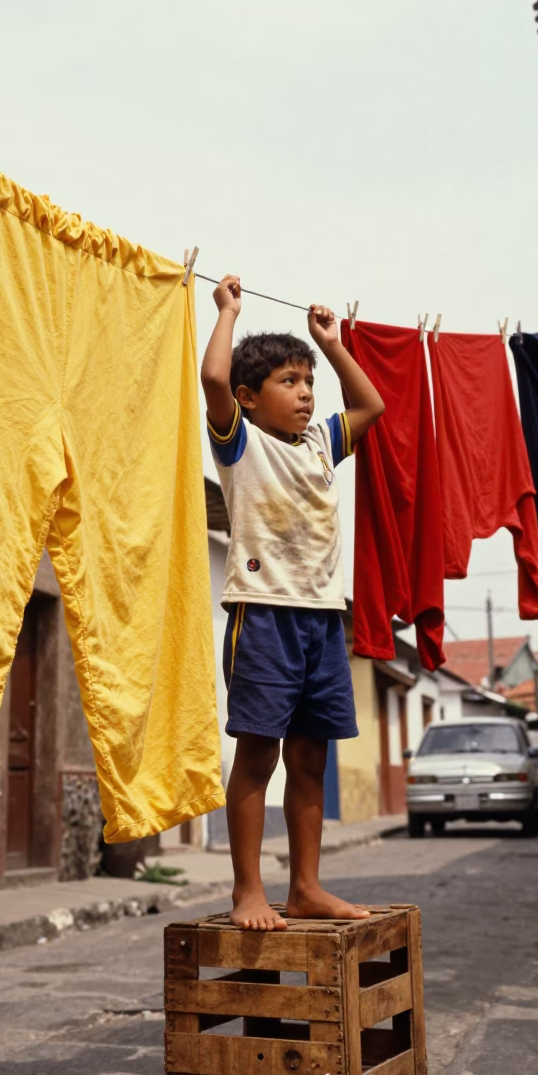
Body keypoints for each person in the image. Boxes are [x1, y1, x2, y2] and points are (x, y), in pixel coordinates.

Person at [201, 275, 385, 931]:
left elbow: (372, 405)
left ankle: (305, 886)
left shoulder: (320, 447)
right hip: (264, 615)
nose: (305, 393)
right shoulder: (240, 444)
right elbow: (214, 379)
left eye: (308, 382)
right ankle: (248, 890)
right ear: (252, 399)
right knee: (260, 751)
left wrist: (330, 347)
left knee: (312, 754)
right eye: (289, 381)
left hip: (323, 619)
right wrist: (228, 311)